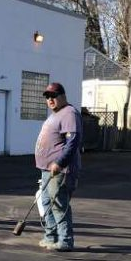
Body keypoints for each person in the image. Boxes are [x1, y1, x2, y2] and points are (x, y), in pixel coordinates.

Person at [34, 82, 83, 252]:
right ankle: (51, 237)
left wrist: (60, 162)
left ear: (62, 96)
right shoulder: (55, 114)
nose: (50, 99)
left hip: (60, 170)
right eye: (47, 97)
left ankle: (65, 240)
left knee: (59, 204)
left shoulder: (69, 113)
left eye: (53, 96)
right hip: (47, 169)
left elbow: (72, 142)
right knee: (47, 203)